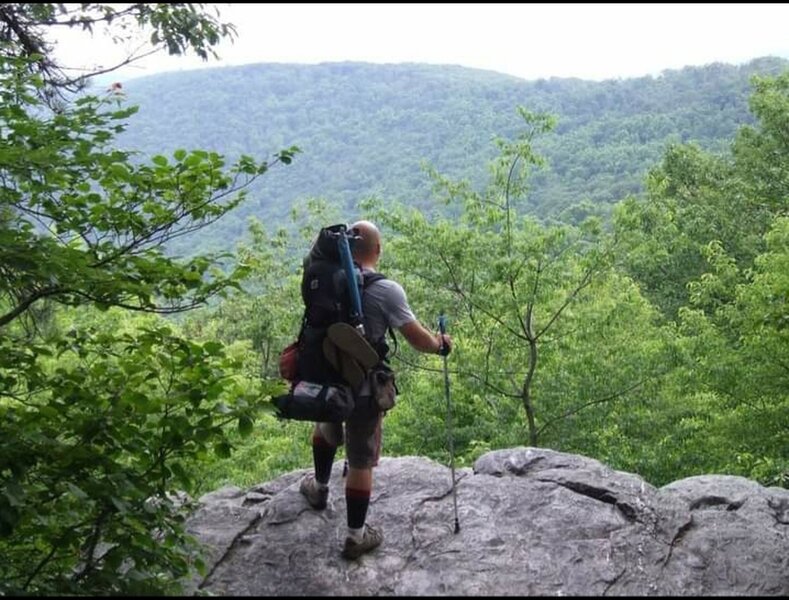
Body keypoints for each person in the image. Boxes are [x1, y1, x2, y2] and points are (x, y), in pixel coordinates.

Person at [298, 220, 452, 560]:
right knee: (360, 459)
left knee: (325, 426)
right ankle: (355, 535)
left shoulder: (328, 280)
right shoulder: (387, 290)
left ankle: (319, 488)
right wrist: (440, 344)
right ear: (377, 250)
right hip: (364, 385)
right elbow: (417, 339)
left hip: (327, 377)